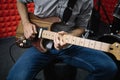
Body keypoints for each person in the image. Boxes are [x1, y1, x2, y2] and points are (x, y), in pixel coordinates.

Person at [7, 0, 118, 80]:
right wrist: (26, 23)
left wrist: (69, 37)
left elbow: (81, 28)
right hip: (39, 43)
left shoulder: (86, 1)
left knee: (109, 68)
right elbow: (20, 1)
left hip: (70, 45)